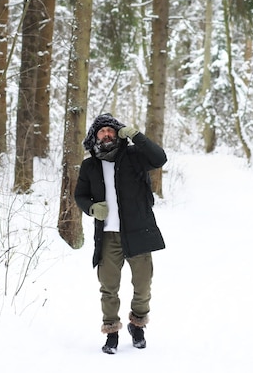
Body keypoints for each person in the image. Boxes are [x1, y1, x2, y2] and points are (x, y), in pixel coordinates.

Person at [74, 113, 167, 355]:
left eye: (110, 131)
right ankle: (112, 332)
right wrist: (92, 208)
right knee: (108, 287)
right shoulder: (90, 165)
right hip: (108, 236)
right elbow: (80, 196)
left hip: (137, 232)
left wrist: (137, 136)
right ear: (95, 137)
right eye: (101, 131)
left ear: (117, 134)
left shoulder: (134, 157)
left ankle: (138, 324)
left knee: (143, 285)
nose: (106, 134)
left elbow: (159, 158)